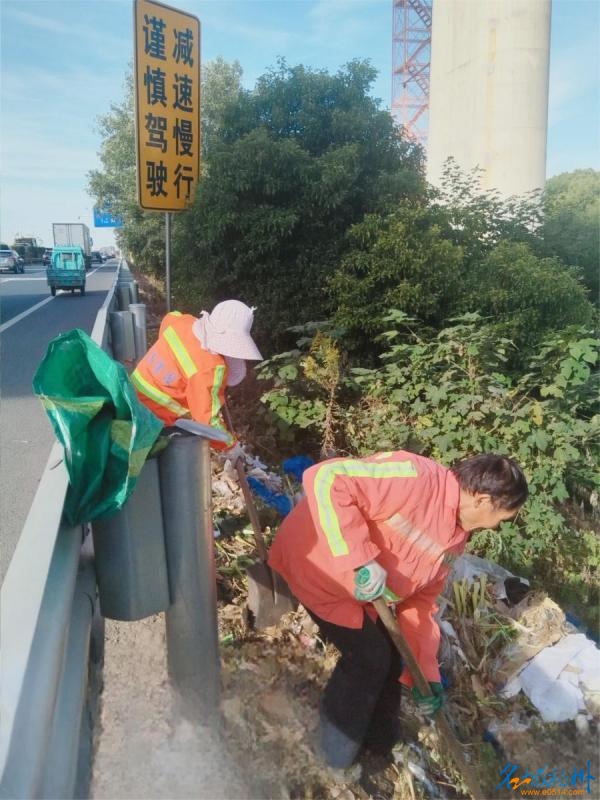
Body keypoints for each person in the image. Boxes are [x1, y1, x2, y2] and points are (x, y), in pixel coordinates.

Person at [268, 450, 528, 769]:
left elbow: (421, 603)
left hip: (362, 595)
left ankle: (378, 749)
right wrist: (361, 559)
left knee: (393, 659)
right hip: (318, 568)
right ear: (483, 500)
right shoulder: (415, 477)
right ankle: (331, 758)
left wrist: (426, 674)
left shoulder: (455, 538)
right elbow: (327, 478)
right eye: (501, 518)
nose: (496, 527)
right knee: (369, 659)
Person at [131, 300, 262, 454]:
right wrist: (230, 446)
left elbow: (168, 318)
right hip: (152, 417)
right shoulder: (210, 368)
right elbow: (207, 422)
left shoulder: (183, 322)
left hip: (130, 393)